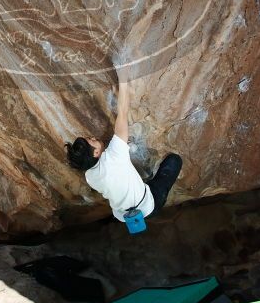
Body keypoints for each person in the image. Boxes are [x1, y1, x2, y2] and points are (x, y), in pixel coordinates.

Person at [66, 77, 183, 222]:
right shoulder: (115, 153)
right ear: (96, 153)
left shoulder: (90, 176)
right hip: (150, 204)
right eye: (93, 141)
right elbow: (123, 112)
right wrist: (123, 79)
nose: (94, 138)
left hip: (124, 216)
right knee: (174, 160)